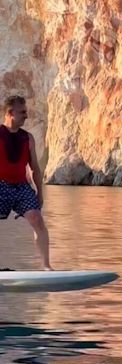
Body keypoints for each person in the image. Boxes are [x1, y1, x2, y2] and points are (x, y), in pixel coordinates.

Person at [0, 96, 52, 270]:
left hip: (22, 187)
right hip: (1, 185)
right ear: (10, 113)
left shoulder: (27, 138)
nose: (26, 116)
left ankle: (46, 267)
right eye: (22, 112)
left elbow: (35, 168)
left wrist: (40, 193)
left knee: (37, 219)